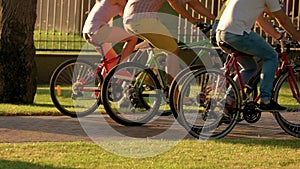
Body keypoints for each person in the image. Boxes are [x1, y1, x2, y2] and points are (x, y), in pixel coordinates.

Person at [216, 0, 300, 111]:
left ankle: (229, 98)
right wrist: (298, 37)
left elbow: (261, 20)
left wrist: (278, 37)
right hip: (238, 34)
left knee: (250, 68)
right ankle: (266, 100)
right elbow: (282, 19)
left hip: (221, 33)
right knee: (272, 56)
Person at [123, 0, 215, 84]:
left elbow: (193, 2)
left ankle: (147, 79)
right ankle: (173, 89)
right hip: (143, 19)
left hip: (129, 20)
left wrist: (213, 19)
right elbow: (174, 2)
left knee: (161, 48)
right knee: (173, 50)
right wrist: (190, 19)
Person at [82, 0, 138, 71]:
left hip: (88, 31)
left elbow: (123, 15)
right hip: (98, 29)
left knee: (111, 64)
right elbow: (128, 15)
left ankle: (104, 81)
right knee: (133, 38)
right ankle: (122, 67)